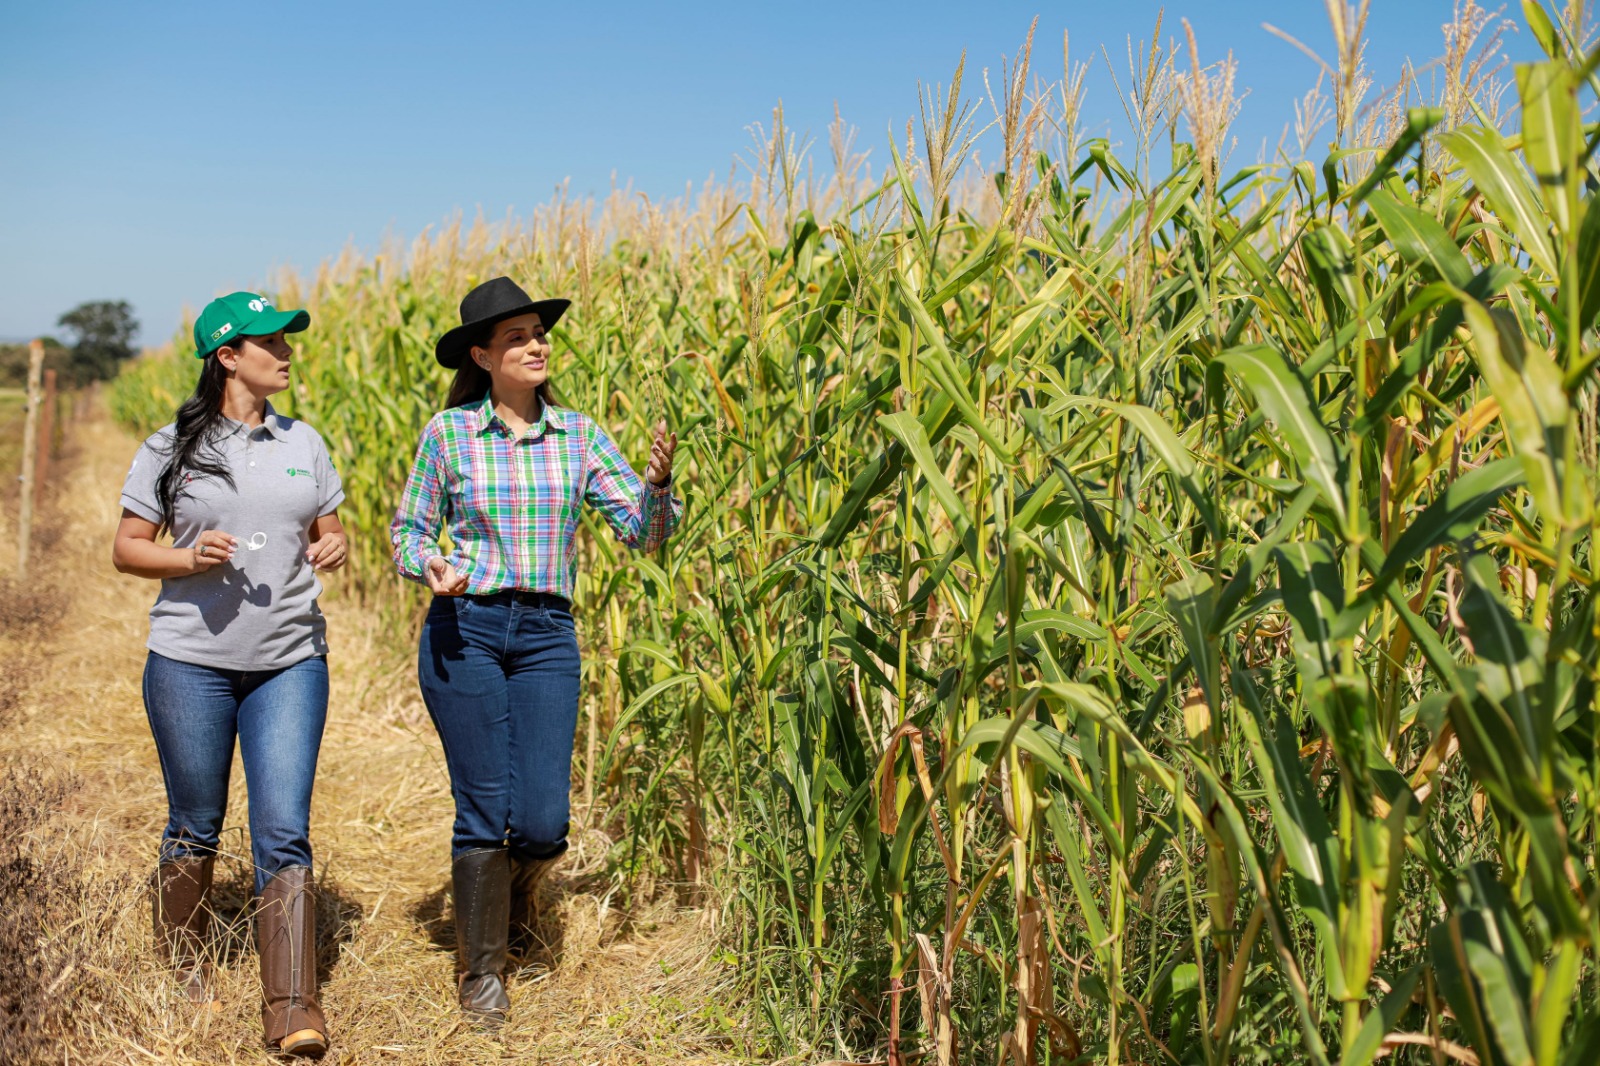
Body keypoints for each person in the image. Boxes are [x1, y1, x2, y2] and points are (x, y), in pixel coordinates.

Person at [390, 276, 681, 1027]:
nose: (535, 344)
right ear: (483, 356)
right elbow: (408, 532)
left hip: (549, 634)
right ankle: (481, 973)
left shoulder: (579, 435)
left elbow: (644, 534)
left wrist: (658, 486)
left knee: (546, 821)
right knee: (484, 808)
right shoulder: (448, 435)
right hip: (468, 630)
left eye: (539, 333)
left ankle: (517, 895)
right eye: (516, 337)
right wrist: (430, 565)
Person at [113, 291, 347, 1059]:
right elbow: (127, 547)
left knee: (284, 830)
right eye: (269, 341)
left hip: (290, 661)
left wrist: (333, 546)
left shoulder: (304, 440)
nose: (286, 352)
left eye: (287, 340)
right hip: (190, 662)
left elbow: (329, 525)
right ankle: (184, 971)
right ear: (226, 355)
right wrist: (186, 558)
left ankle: (291, 1006)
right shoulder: (170, 447)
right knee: (196, 823)